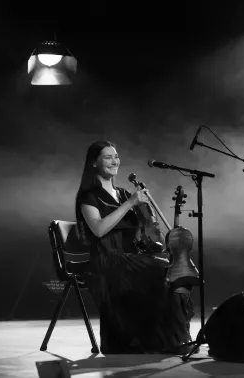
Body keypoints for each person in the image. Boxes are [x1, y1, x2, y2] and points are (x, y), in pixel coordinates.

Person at [74, 140, 194, 354]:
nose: (115, 161)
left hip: (130, 256)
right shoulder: (88, 196)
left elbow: (137, 232)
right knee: (161, 271)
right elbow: (99, 229)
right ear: (94, 163)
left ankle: (171, 338)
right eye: (108, 157)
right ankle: (171, 340)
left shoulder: (121, 193)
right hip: (106, 259)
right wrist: (130, 204)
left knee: (173, 268)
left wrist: (146, 216)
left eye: (116, 156)